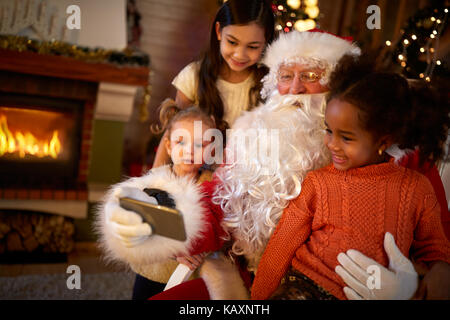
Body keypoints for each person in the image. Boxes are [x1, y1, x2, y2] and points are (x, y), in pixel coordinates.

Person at [250, 54, 450, 300]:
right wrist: (257, 299)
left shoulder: (416, 187)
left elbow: (434, 244)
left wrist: (441, 267)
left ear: (383, 141)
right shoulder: (319, 182)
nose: (332, 144)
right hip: (305, 286)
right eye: (328, 131)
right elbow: (282, 244)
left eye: (346, 137)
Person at [95, 101, 226, 300]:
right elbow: (140, 225)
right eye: (181, 142)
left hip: (194, 275)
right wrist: (175, 251)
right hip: (155, 270)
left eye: (199, 144)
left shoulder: (213, 185)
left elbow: (220, 227)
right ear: (168, 145)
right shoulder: (154, 181)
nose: (190, 150)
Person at [152, 0, 275, 168]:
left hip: (246, 177)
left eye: (252, 46)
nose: (240, 55)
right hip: (198, 177)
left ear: (266, 41)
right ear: (218, 31)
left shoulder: (271, 83)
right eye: (232, 42)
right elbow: (174, 132)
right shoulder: (193, 76)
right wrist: (153, 181)